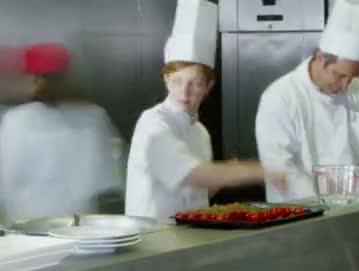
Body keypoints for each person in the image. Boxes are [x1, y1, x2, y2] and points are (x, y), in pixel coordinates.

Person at [125, 0, 281, 223]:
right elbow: (192, 174)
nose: (184, 92)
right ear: (165, 80)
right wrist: (255, 171)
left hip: (190, 240)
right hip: (153, 241)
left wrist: (222, 177)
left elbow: (200, 191)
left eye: (195, 83)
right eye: (177, 81)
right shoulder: (153, 124)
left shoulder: (200, 133)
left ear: (208, 87)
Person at [255, 0, 359, 203]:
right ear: (319, 58)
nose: (346, 86)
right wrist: (328, 204)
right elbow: (280, 167)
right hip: (299, 213)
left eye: (351, 77)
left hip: (355, 210)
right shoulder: (280, 96)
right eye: (340, 75)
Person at [0, 43, 125, 224]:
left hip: (72, 224)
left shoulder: (93, 117)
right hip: (36, 225)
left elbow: (110, 178)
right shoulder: (16, 120)